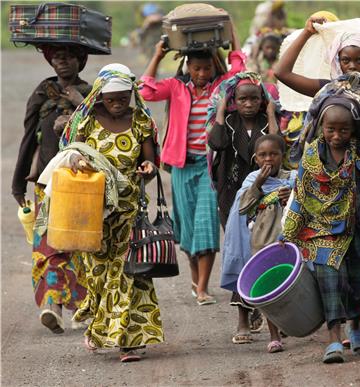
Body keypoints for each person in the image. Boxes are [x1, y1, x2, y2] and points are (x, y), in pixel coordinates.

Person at [282, 92, 360, 364]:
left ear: (355, 129)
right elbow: (300, 196)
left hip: (356, 229)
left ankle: (356, 327)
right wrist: (287, 233)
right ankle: (334, 339)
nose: (336, 135)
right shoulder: (311, 156)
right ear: (321, 127)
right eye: (330, 129)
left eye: (344, 129)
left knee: (358, 283)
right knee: (331, 283)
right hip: (320, 231)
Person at [62, 63, 164, 362]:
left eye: (123, 97)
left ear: (131, 95)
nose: (118, 103)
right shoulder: (87, 123)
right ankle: (99, 326)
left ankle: (128, 342)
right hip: (92, 211)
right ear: (100, 98)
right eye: (111, 99)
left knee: (129, 273)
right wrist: (78, 161)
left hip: (129, 211)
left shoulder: (141, 121)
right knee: (98, 274)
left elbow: (149, 163)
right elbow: (69, 155)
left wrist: (148, 168)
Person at [140, 25, 246, 305]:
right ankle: (194, 274)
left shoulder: (222, 87)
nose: (202, 74)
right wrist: (158, 55)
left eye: (206, 68)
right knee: (186, 231)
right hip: (181, 165)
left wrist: (233, 39)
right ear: (188, 66)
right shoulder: (176, 88)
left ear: (213, 66)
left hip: (211, 166)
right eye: (196, 68)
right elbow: (146, 91)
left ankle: (202, 288)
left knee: (206, 224)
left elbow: (240, 70)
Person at [12, 44, 91, 334]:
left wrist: (79, 102)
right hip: (47, 186)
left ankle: (85, 306)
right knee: (49, 246)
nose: (63, 62)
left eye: (69, 57)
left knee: (83, 247)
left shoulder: (91, 93)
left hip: (84, 186)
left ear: (80, 60)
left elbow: (102, 130)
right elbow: (27, 138)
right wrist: (18, 183)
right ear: (51, 61)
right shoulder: (41, 93)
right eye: (57, 57)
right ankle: (52, 307)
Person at [221, 134, 295, 351]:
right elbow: (242, 207)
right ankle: (274, 337)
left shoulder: (291, 178)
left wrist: (290, 197)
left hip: (288, 241)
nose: (268, 159)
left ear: (283, 156)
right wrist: (260, 185)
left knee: (288, 286)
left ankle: (289, 323)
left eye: (273, 154)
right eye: (263, 155)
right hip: (262, 242)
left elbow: (304, 203)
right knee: (269, 288)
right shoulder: (252, 179)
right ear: (255, 159)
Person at [207, 72, 280, 227]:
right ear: (234, 100)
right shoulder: (228, 121)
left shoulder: (266, 121)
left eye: (254, 99)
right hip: (230, 192)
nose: (248, 104)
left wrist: (271, 113)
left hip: (263, 191)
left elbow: (278, 145)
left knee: (260, 240)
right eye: (242, 99)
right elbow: (217, 143)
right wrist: (221, 110)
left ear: (262, 100)